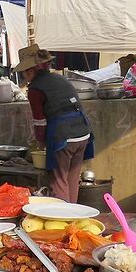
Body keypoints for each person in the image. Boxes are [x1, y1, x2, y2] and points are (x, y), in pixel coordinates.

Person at [14, 45, 94, 203]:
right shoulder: (59, 79)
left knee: (59, 181)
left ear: (30, 70)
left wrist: (41, 142)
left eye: (24, 72)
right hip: (83, 132)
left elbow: (40, 121)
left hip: (63, 136)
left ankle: (62, 217)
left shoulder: (35, 90)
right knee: (72, 178)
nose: (24, 76)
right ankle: (73, 215)